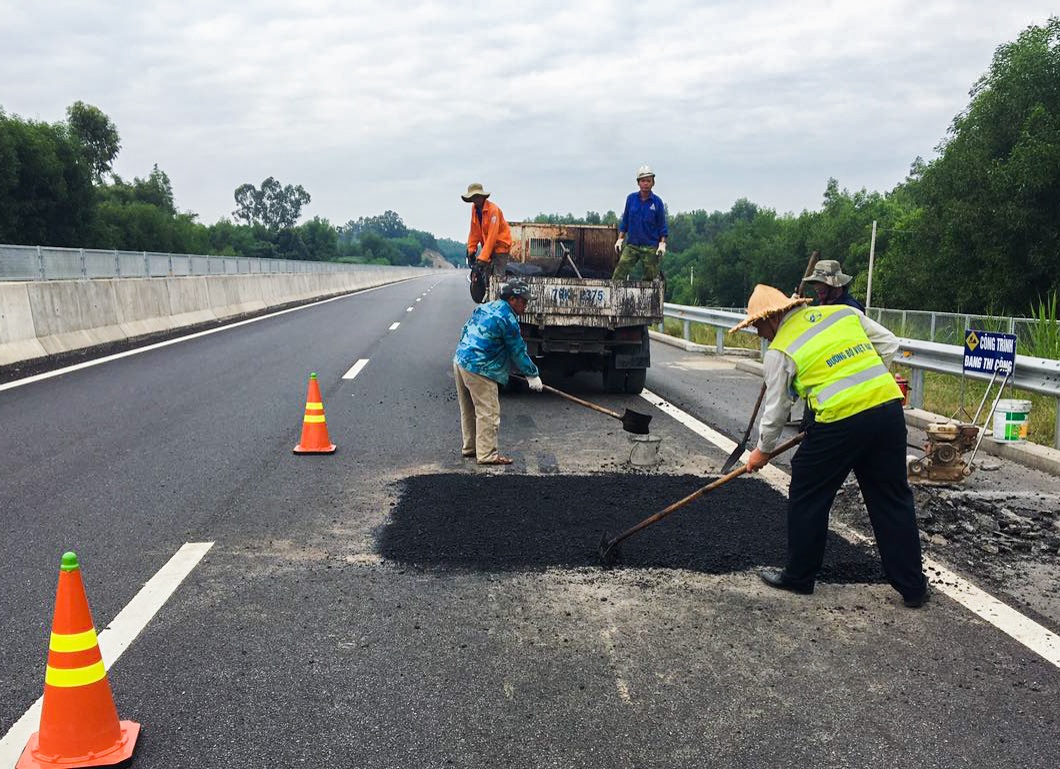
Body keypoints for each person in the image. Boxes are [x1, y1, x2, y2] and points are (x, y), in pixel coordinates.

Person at [731, 284, 928, 608]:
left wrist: (762, 452)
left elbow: (777, 409)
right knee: (892, 499)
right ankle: (913, 587)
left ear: (771, 318)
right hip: (887, 411)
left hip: (839, 423)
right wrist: (865, 386)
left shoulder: (780, 350)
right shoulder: (843, 314)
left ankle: (799, 576)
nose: (758, 333)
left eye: (757, 325)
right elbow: (889, 344)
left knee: (808, 490)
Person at [453, 278, 543, 465]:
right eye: (523, 301)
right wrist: (532, 374)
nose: (526, 306)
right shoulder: (507, 318)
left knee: (468, 409)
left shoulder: (486, 307)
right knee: (488, 411)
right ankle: (487, 455)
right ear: (512, 299)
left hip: (461, 360)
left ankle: (471, 448)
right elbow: (517, 351)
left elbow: (464, 330)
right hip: (480, 367)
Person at [612, 165, 667, 280]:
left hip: (650, 246)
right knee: (619, 273)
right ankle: (615, 292)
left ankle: (647, 291)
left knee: (650, 278)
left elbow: (662, 226)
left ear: (653, 183)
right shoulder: (631, 199)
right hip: (632, 245)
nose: (645, 183)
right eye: (643, 181)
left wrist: (662, 244)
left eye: (648, 181)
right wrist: (620, 239)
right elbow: (625, 221)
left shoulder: (657, 202)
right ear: (638, 183)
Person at [463, 183, 512, 300]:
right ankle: (488, 299)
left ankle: (498, 301)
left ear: (483, 197)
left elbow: (492, 237)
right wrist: (471, 250)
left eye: (477, 196)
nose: (475, 200)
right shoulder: (474, 210)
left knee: (497, 280)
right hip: (488, 248)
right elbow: (474, 231)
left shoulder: (493, 210)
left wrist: (482, 259)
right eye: (473, 197)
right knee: (485, 277)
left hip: (500, 247)